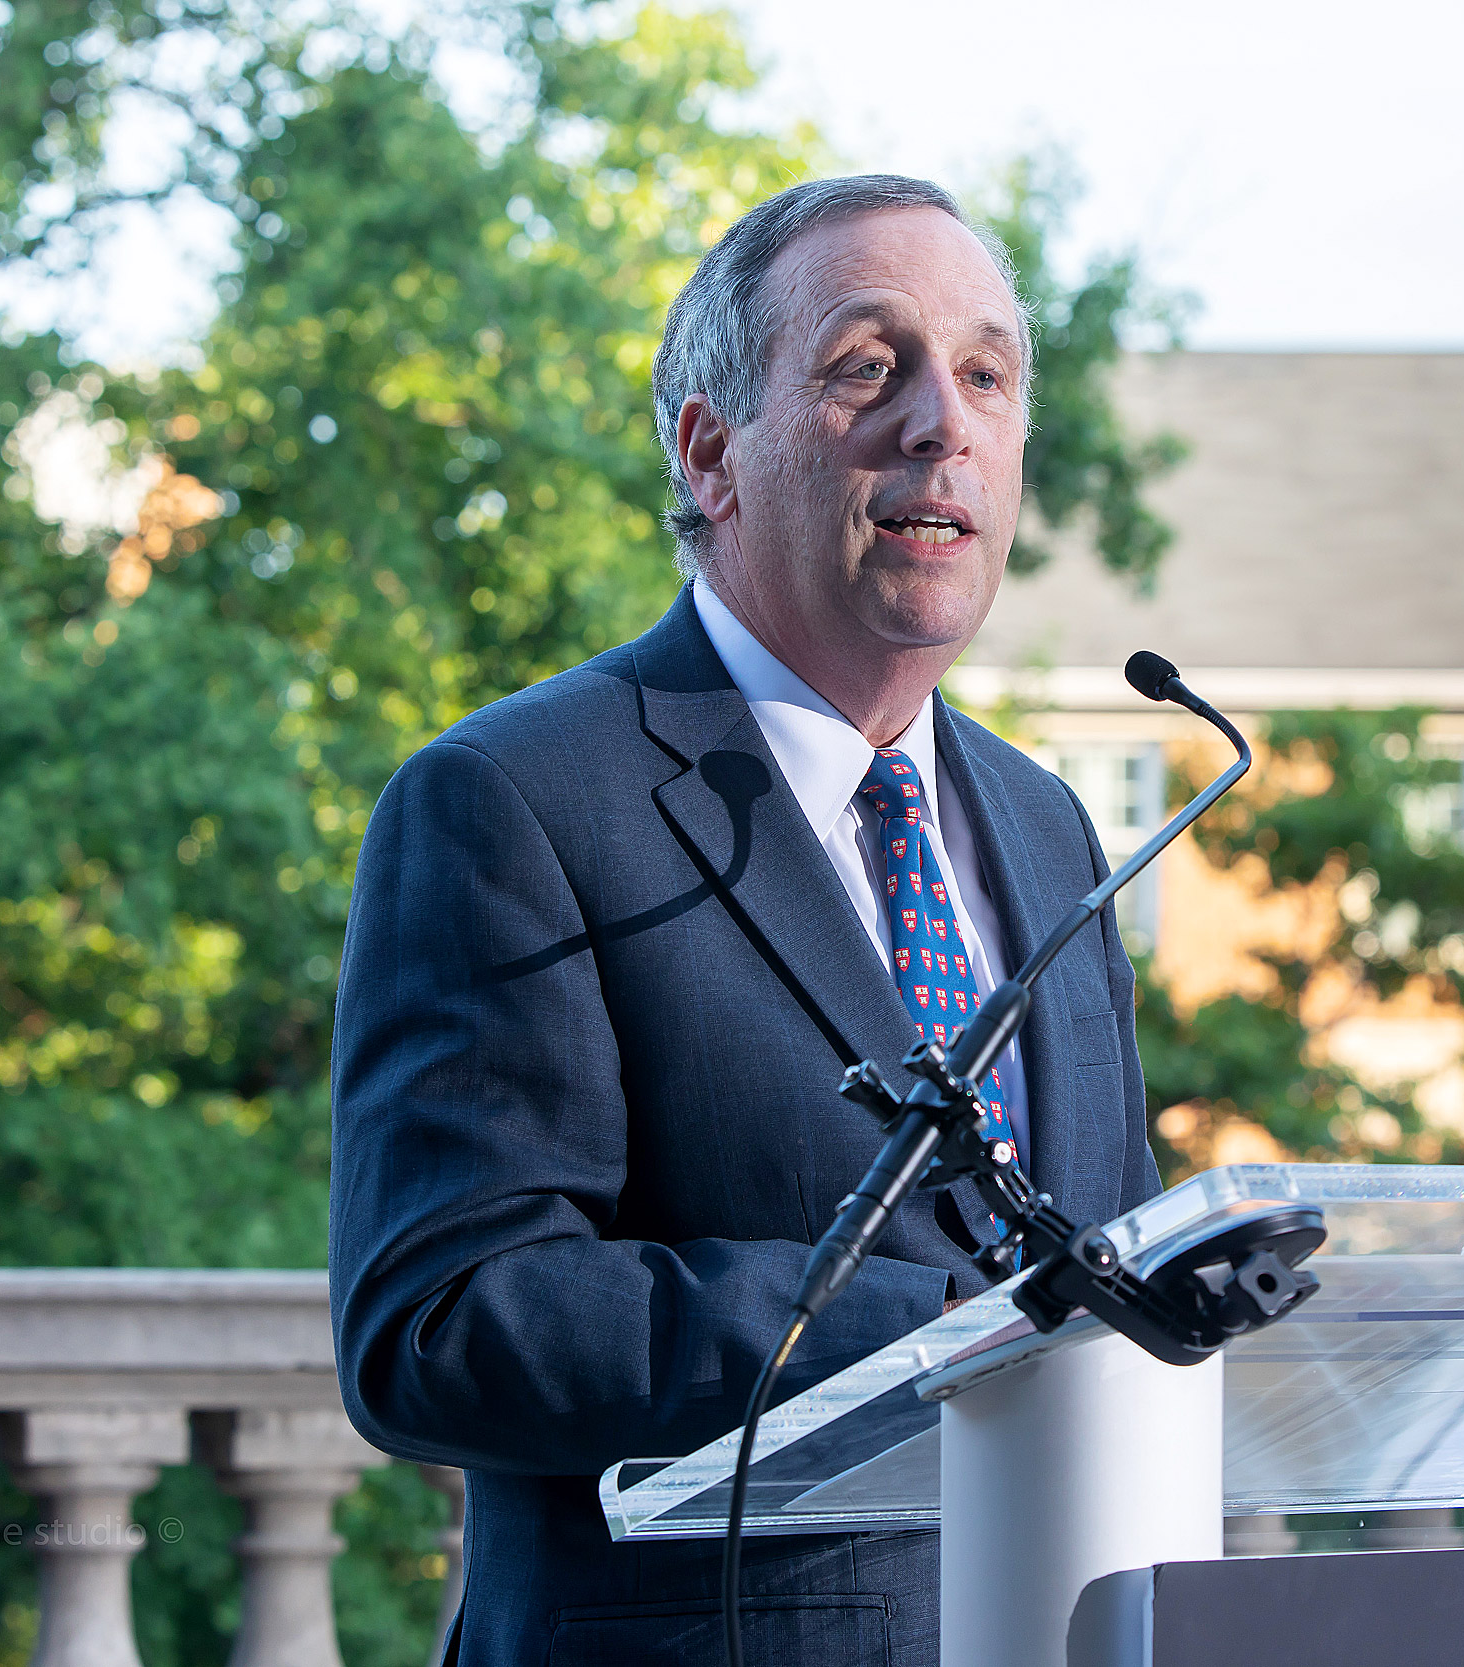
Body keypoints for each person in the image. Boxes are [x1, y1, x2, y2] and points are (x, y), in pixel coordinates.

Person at [328, 175, 1159, 1667]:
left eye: (984, 374)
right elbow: (436, 1322)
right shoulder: (513, 799)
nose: (940, 422)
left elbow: (1095, 1272)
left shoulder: (1051, 828)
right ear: (712, 450)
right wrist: (906, 1329)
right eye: (866, 367)